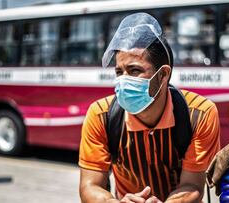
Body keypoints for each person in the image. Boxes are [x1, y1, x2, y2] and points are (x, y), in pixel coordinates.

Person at [79, 13, 220, 203]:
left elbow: (193, 185)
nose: (123, 80)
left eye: (134, 70)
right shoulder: (100, 115)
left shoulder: (199, 114)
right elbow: (90, 186)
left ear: (163, 75)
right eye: (119, 72)